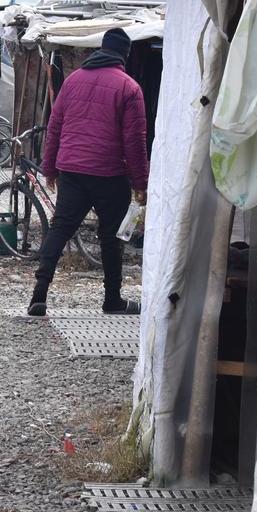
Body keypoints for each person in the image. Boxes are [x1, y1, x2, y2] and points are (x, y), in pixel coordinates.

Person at [28, 28, 148, 317]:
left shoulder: (72, 81)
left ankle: (38, 296)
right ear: (125, 55)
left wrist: (49, 169)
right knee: (111, 237)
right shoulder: (129, 87)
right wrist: (141, 182)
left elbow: (54, 125)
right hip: (109, 174)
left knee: (60, 229)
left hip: (72, 170)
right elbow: (135, 140)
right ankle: (113, 300)